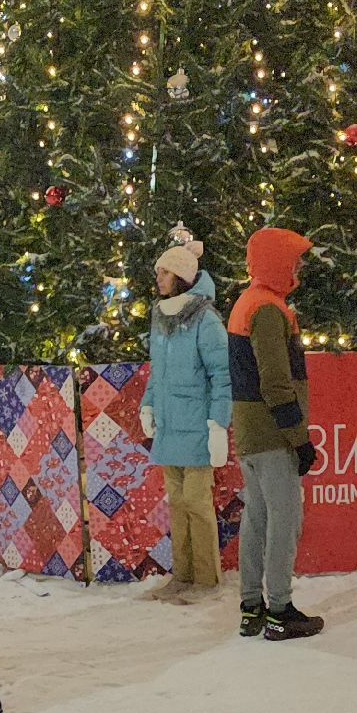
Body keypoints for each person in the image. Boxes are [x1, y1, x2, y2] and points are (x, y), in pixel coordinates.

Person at [228, 226, 324, 642]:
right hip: (271, 434)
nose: (299, 266)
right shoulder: (267, 309)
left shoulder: (248, 303)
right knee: (284, 520)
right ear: (277, 261)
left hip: (251, 432)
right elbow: (275, 381)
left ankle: (252, 606)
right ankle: (280, 610)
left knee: (257, 518)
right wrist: (298, 437)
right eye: (295, 259)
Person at [138, 229, 231, 605]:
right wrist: (148, 404)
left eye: (163, 272)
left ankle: (206, 579)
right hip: (169, 426)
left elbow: (222, 374)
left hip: (196, 425)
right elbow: (156, 371)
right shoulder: (160, 317)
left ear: (179, 276)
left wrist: (217, 424)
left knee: (196, 502)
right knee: (177, 505)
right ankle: (183, 575)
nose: (157, 278)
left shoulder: (205, 319)